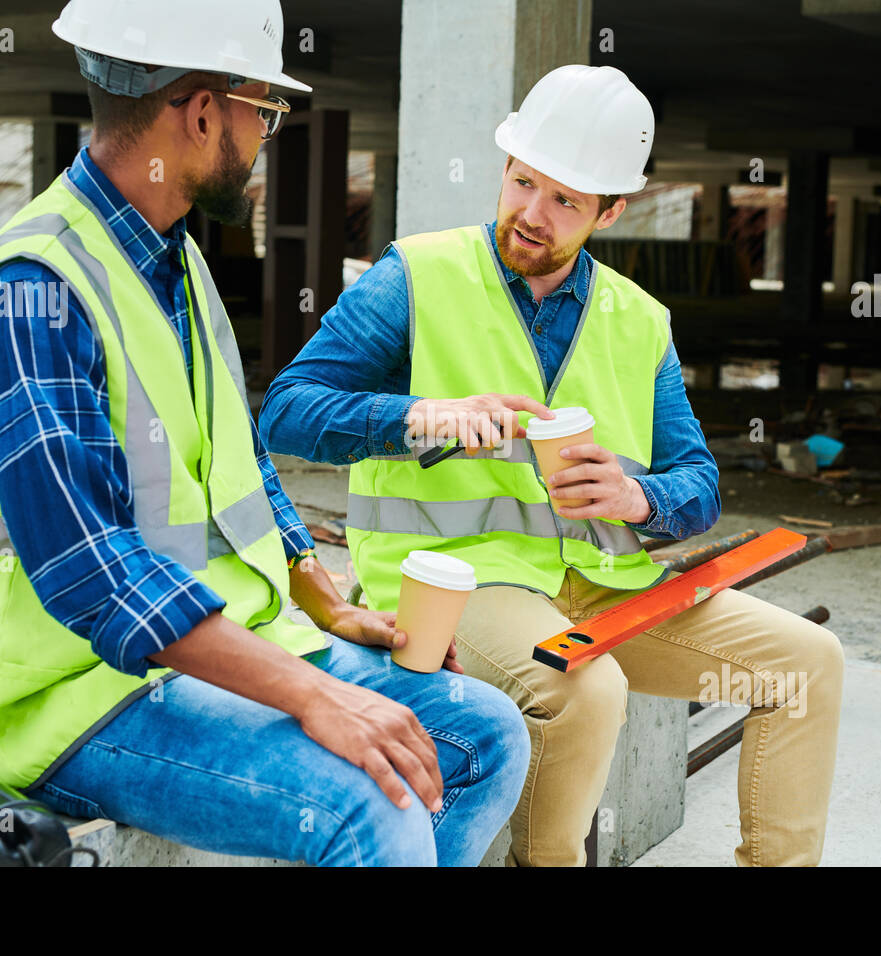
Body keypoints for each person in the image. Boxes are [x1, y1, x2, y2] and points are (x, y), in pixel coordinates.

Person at [0, 0, 528, 867]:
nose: (269, 134)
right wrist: (313, 694)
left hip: (213, 646)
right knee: (370, 806)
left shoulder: (169, 254)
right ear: (200, 114)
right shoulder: (28, 294)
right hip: (72, 697)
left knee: (486, 734)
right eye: (264, 111)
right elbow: (91, 575)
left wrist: (321, 598)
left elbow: (233, 456)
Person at [260, 64, 845, 866]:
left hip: (601, 587)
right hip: (456, 581)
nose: (531, 214)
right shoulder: (418, 276)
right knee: (584, 689)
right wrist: (421, 416)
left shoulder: (640, 322)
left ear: (613, 209)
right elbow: (288, 411)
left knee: (808, 663)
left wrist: (638, 498)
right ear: (504, 167)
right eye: (523, 181)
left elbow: (698, 484)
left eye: (565, 200)